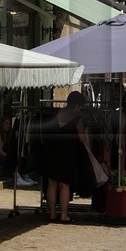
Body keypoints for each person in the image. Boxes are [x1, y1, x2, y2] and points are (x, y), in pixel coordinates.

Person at [40, 91, 89, 223]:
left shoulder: (55, 113)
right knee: (64, 184)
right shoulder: (78, 119)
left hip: (52, 151)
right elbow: (82, 138)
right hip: (68, 153)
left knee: (52, 183)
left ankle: (52, 214)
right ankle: (63, 215)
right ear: (78, 105)